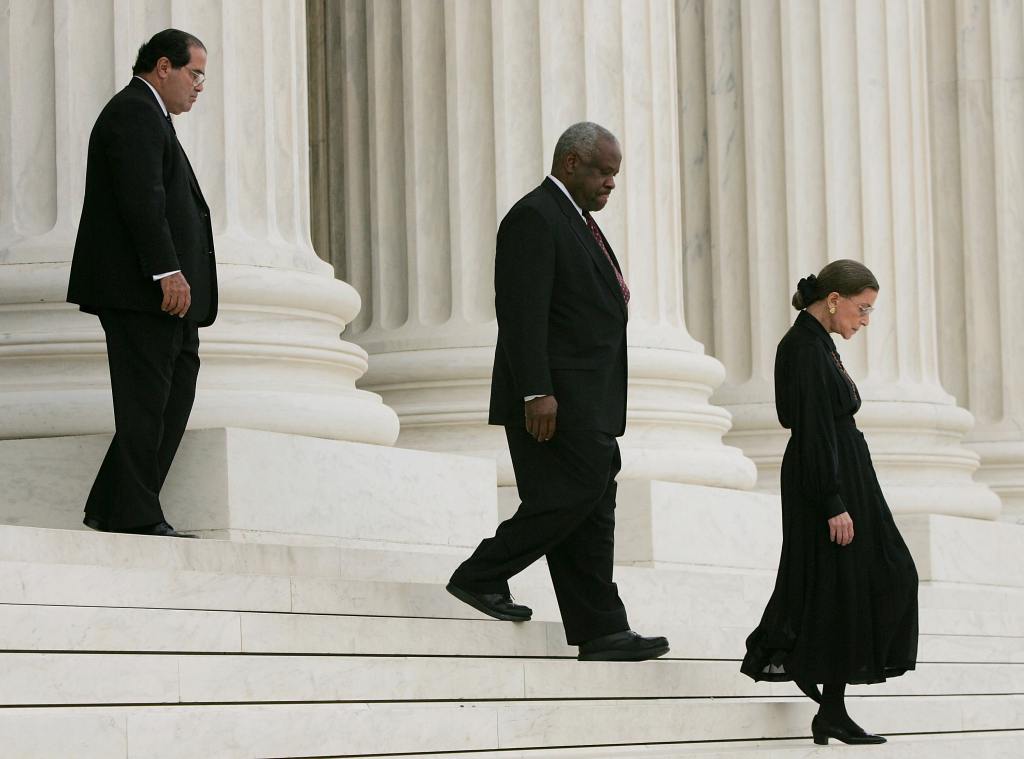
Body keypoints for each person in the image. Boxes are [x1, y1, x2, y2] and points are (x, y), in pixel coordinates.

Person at [446, 122, 668, 662]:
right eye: (603, 171)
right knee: (574, 494)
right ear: (571, 163)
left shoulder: (577, 222)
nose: (611, 183)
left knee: (591, 508)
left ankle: (601, 630)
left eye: (615, 174)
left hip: (587, 400)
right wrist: (535, 393)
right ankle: (482, 573)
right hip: (554, 403)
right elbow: (521, 315)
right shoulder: (535, 217)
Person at [741, 260, 919, 744]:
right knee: (849, 580)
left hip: (844, 473)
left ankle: (829, 705)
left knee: (869, 579)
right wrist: (832, 500)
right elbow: (810, 427)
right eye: (862, 309)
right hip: (827, 479)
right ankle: (814, 683)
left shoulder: (818, 345)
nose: (864, 321)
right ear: (834, 298)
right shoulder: (802, 348)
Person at [67, 29, 217, 538]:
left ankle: (114, 505)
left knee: (169, 397)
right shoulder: (133, 111)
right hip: (143, 293)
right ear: (163, 67)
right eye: (194, 73)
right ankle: (135, 515)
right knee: (146, 405)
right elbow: (142, 199)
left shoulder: (152, 116)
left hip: (165, 298)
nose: (199, 86)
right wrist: (166, 270)